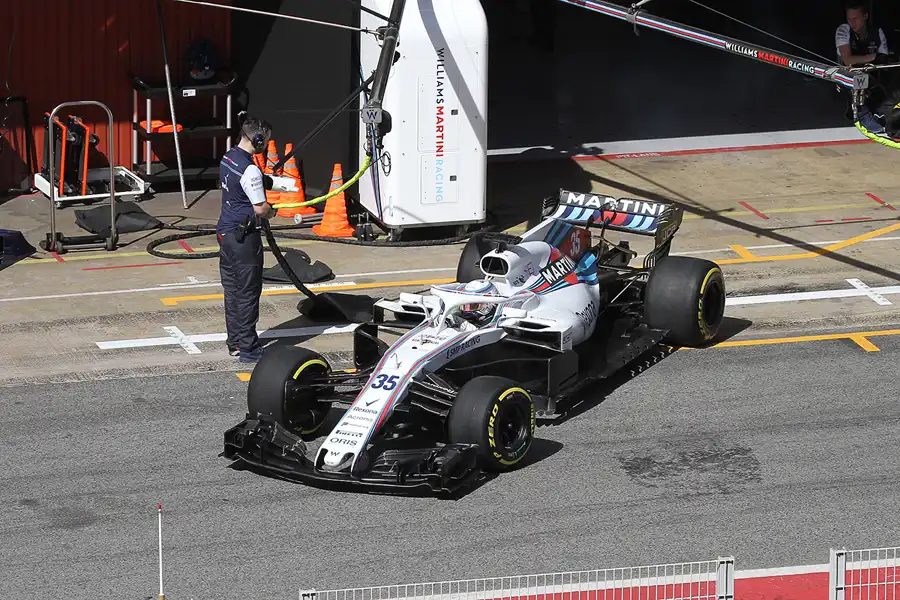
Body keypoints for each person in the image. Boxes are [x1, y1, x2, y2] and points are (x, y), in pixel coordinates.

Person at [216, 113, 277, 363]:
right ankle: (249, 349)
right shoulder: (250, 168)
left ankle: (235, 342)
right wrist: (273, 210)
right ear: (259, 140)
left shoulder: (228, 157)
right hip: (244, 238)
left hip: (225, 233)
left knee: (232, 290)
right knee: (248, 292)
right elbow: (261, 209)